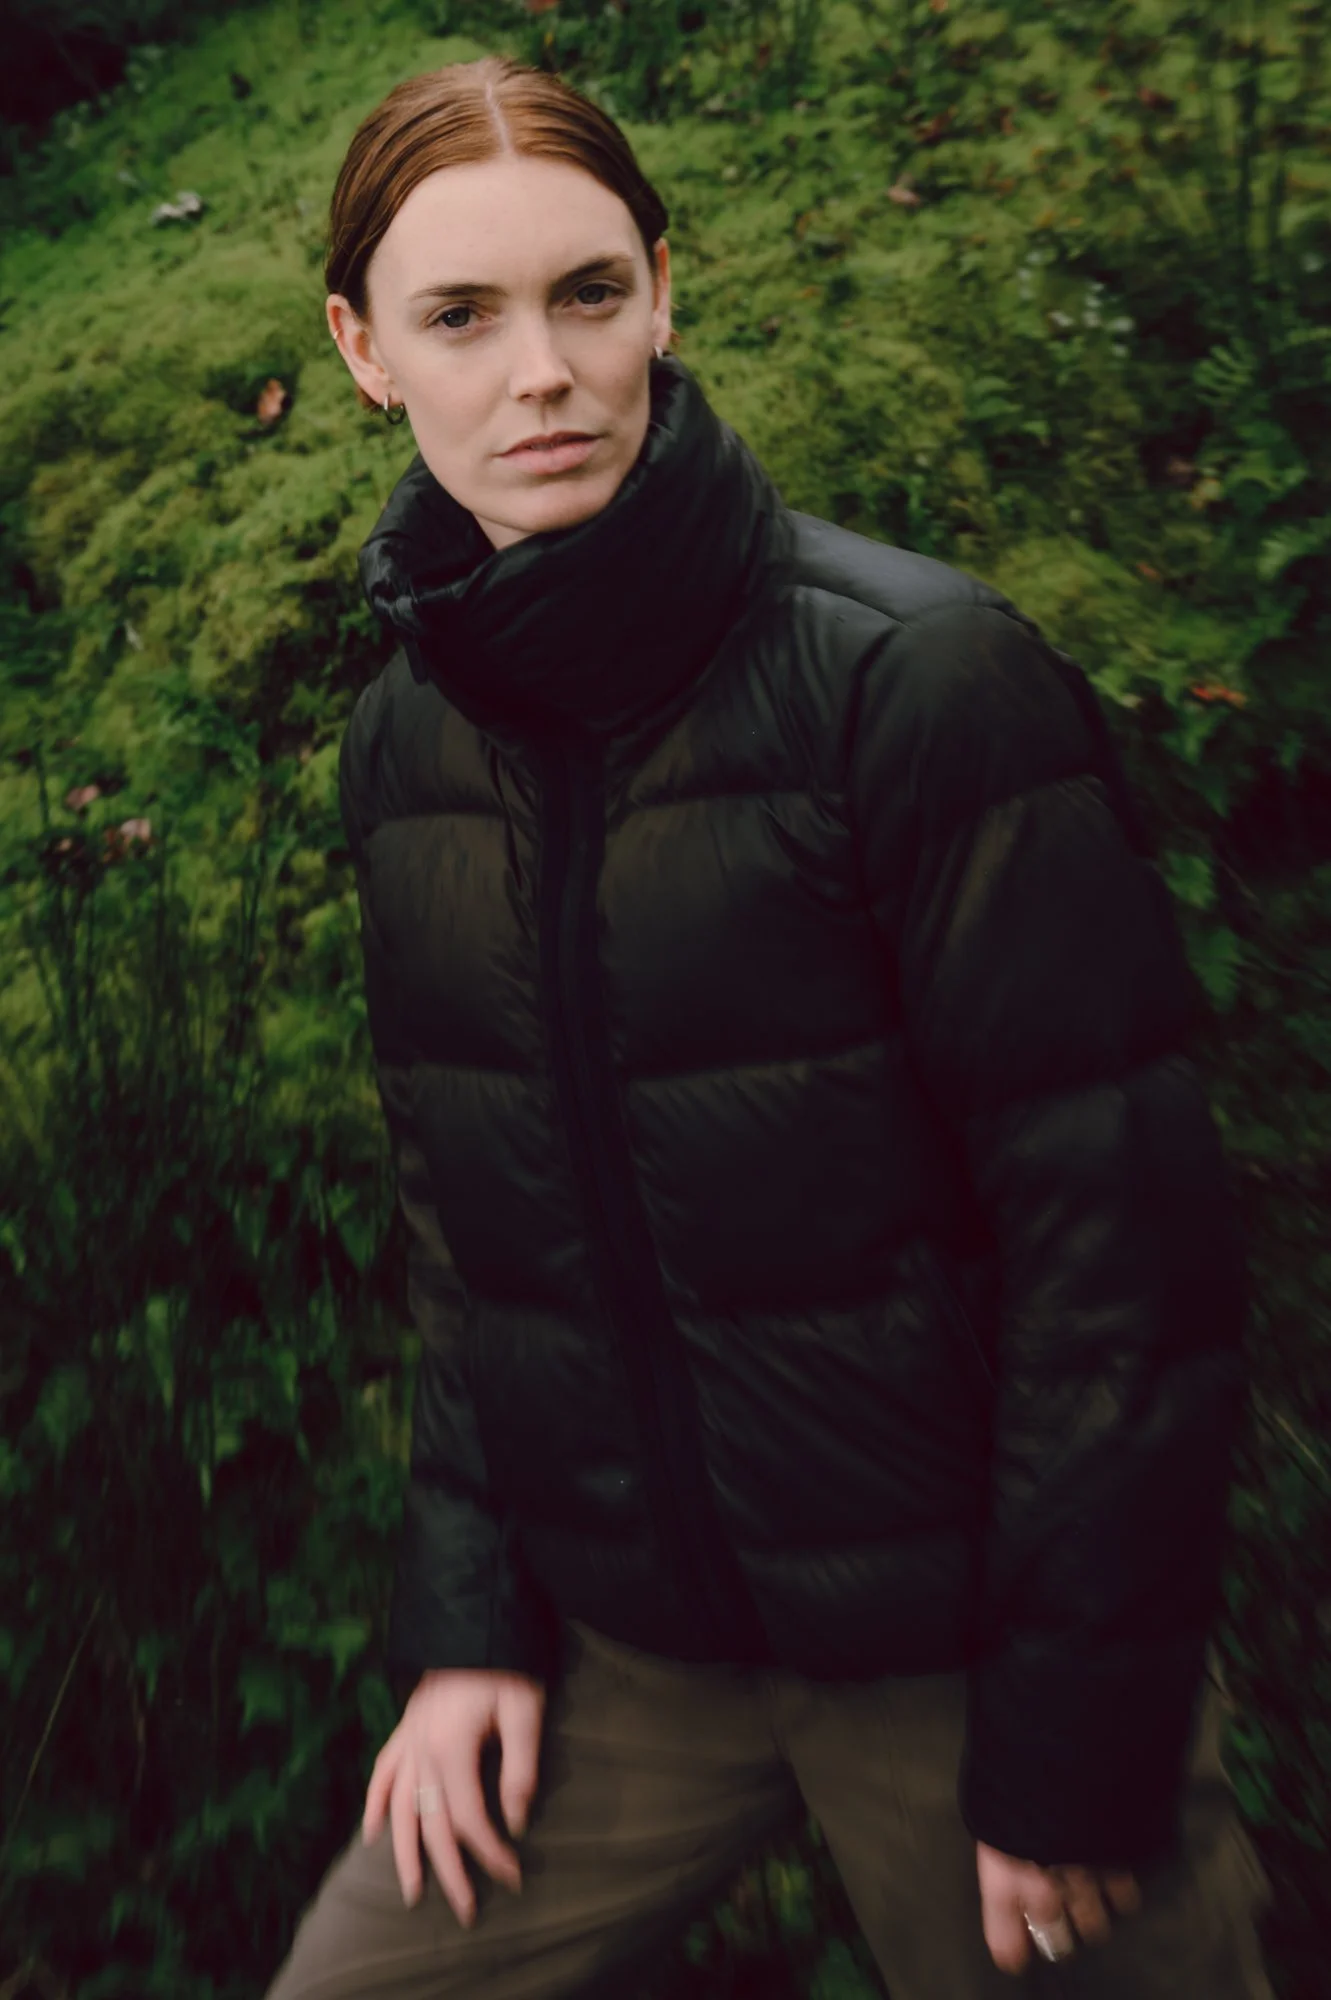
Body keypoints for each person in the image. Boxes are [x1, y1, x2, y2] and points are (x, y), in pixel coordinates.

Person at [268, 52, 1274, 2000]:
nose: (539, 370)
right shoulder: (404, 742)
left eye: (584, 291)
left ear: (662, 285)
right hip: (631, 1648)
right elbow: (477, 1236)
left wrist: (1073, 1739)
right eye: (458, 315)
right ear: (362, 350)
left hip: (964, 1648)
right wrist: (470, 1622)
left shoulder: (910, 683)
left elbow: (1119, 1260)